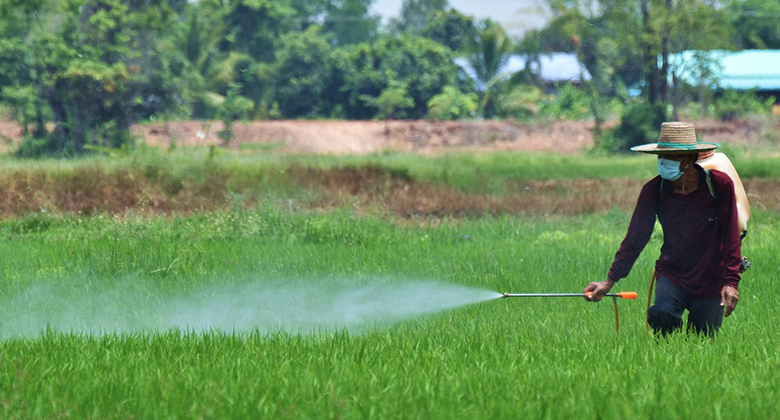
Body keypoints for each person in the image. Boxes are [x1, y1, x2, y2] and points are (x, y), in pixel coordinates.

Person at [584, 122, 742, 336]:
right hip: (673, 274)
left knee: (702, 341)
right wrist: (609, 281)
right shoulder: (653, 191)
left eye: (672, 158)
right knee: (661, 315)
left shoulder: (719, 186)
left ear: (690, 159)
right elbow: (635, 239)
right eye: (661, 158)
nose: (663, 163)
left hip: (711, 277)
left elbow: (731, 236)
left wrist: (731, 282)